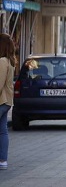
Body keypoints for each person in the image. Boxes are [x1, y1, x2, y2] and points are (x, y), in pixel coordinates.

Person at [0, 34, 15, 170]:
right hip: (7, 101)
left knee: (3, 131)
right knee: (3, 131)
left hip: (1, 100)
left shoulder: (2, 61)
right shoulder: (10, 60)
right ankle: (3, 160)